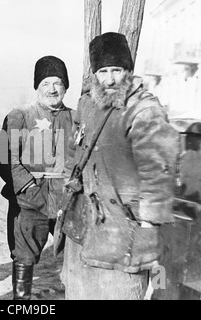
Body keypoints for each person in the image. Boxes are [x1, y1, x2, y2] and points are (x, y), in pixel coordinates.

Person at [61, 32, 179, 300]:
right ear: (94, 75)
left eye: (117, 69)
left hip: (122, 234)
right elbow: (73, 156)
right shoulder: (87, 104)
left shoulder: (144, 110)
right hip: (82, 228)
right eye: (103, 71)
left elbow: (159, 173)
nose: (111, 79)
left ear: (129, 70)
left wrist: (149, 229)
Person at [0, 56, 75, 300]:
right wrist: (27, 188)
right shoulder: (19, 116)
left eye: (58, 83)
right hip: (29, 199)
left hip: (67, 199)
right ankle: (21, 301)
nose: (52, 89)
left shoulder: (76, 118)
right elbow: (5, 158)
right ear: (36, 87)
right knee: (24, 255)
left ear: (65, 87)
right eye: (46, 83)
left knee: (75, 254)